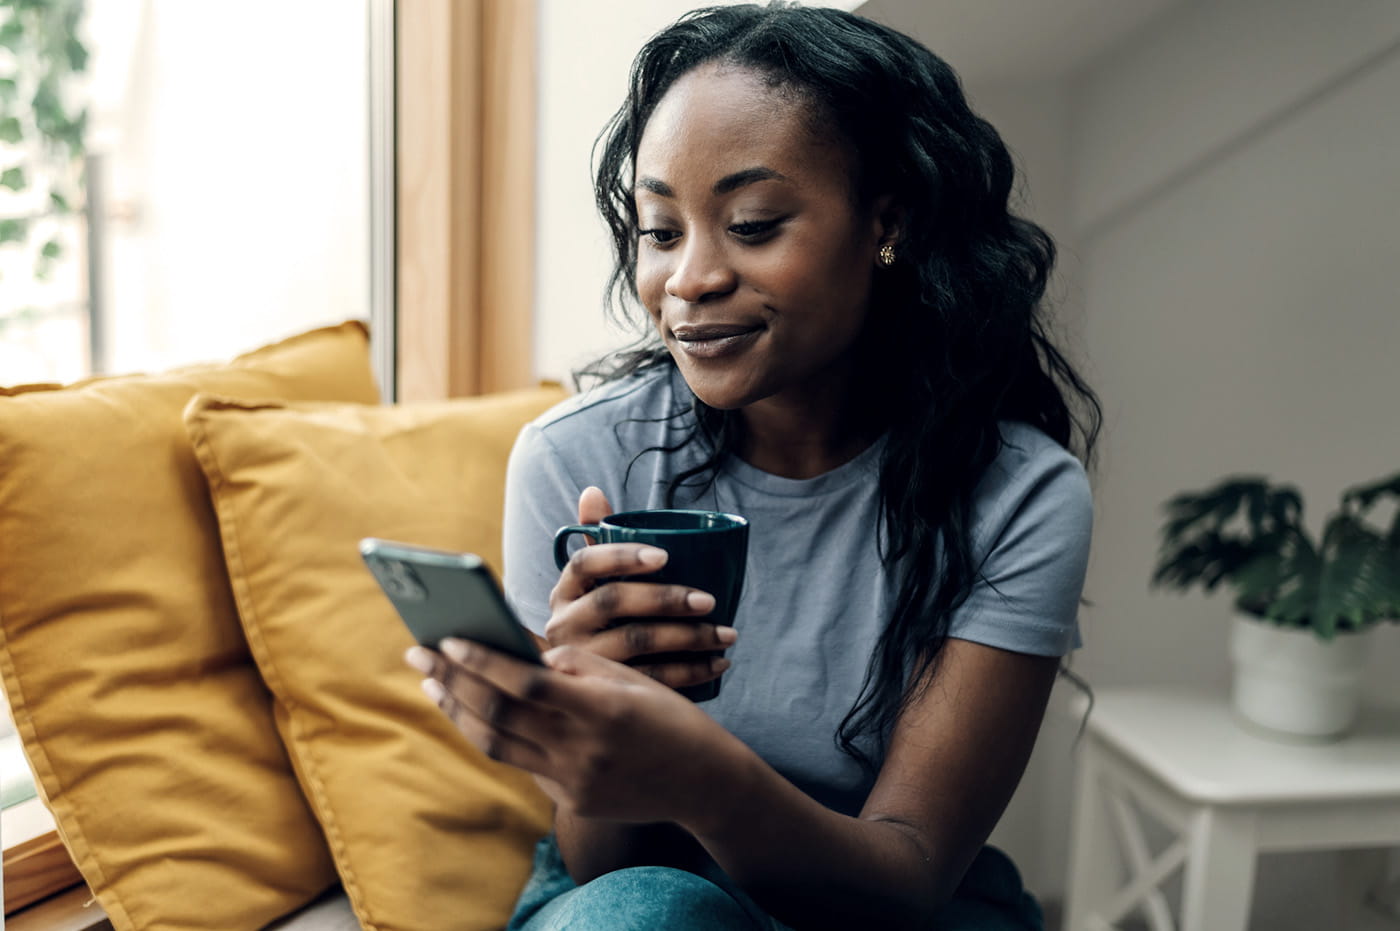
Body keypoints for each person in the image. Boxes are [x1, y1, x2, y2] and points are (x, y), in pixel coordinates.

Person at [405, 3, 1101, 928]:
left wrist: (700, 771)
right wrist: (597, 727)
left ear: (885, 223)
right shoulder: (578, 458)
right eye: (660, 231)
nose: (690, 278)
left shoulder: (1018, 495)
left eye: (753, 222)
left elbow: (908, 875)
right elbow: (599, 866)